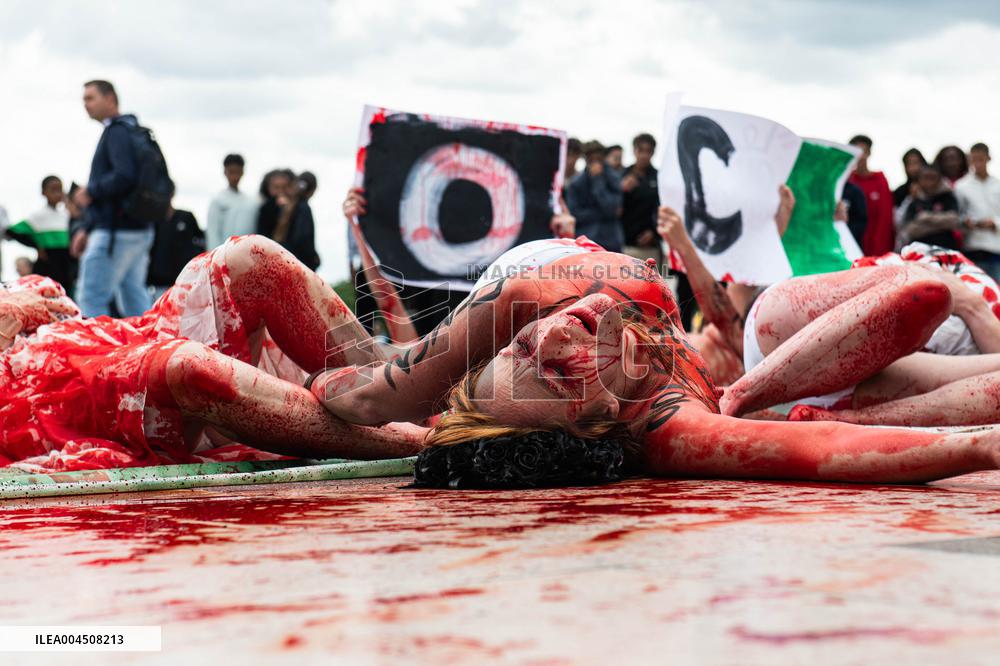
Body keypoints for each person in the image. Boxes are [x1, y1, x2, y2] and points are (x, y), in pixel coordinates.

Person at [305, 234, 1000, 489]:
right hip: (786, 377)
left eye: (523, 347)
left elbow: (363, 397)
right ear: (603, 417)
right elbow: (820, 445)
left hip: (768, 354)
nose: (555, 337)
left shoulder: (522, 300)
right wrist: (986, 449)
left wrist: (312, 384)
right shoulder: (666, 426)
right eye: (561, 372)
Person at [0, 235, 424, 473]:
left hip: (114, 342)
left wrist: (17, 306)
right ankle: (432, 441)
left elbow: (57, 300)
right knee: (189, 368)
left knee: (251, 257)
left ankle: (422, 398)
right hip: (77, 404)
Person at [723, 241, 1000, 427]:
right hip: (802, 331)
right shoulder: (954, 265)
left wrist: (972, 306)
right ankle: (742, 393)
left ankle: (846, 420)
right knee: (928, 292)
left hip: (859, 396)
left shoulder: (981, 302)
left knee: (932, 294)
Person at [71, 80, 155, 318]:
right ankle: (150, 351)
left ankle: (91, 353)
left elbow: (124, 175)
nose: (85, 104)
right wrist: (87, 227)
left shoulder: (116, 131)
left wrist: (91, 190)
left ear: (110, 99)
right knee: (133, 298)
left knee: (91, 298)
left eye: (90, 98)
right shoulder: (131, 129)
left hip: (115, 231)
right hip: (138, 228)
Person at [5, 176, 77, 296]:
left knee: (67, 297)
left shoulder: (66, 215)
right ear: (43, 192)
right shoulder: (38, 216)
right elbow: (11, 231)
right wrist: (36, 246)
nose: (57, 194)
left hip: (66, 265)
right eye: (53, 190)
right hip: (48, 263)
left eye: (60, 190)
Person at [147, 186, 205, 301]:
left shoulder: (187, 217)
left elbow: (201, 243)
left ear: (172, 193)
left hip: (185, 283)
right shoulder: (152, 222)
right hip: (158, 283)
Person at [566, 140, 624, 252]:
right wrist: (601, 214)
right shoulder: (576, 184)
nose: (595, 163)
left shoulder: (614, 178)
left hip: (611, 243)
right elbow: (574, 215)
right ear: (586, 159)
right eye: (591, 159)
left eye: (598, 159)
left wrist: (597, 181)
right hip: (585, 243)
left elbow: (611, 209)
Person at [955, 143, 1000, 281]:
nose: (978, 163)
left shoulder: (998, 185)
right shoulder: (961, 186)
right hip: (972, 248)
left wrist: (995, 223)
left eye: (981, 159)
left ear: (988, 158)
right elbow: (957, 215)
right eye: (974, 159)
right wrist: (966, 222)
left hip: (995, 248)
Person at [847, 134, 895, 256]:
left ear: (869, 153)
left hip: (875, 248)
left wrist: (879, 252)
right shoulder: (847, 182)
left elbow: (885, 218)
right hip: (851, 246)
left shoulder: (879, 180)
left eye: (863, 151)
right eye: (856, 151)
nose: (860, 156)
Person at [620, 133, 661, 266]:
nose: (644, 155)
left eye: (648, 151)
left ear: (653, 153)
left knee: (651, 287)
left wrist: (654, 232)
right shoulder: (621, 176)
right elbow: (611, 209)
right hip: (624, 246)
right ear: (634, 151)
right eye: (640, 150)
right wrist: (622, 190)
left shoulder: (660, 178)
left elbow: (663, 209)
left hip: (650, 248)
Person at [899, 166, 962, 250]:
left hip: (945, 250)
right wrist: (941, 224)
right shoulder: (914, 201)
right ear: (919, 180)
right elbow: (909, 230)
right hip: (919, 252)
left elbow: (954, 221)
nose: (929, 181)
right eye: (925, 177)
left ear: (939, 179)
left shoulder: (948, 197)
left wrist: (925, 217)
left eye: (933, 177)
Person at [205, 154, 257, 250]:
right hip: (224, 255)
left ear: (242, 172)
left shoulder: (251, 202)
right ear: (225, 172)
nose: (234, 177)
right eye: (231, 172)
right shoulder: (218, 200)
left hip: (247, 254)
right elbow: (213, 233)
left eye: (237, 172)